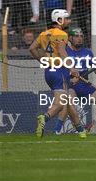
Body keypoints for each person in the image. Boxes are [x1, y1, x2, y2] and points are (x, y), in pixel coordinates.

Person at [29, 9, 87, 139]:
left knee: (66, 102)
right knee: (61, 103)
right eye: (66, 18)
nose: (68, 21)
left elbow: (32, 48)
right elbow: (62, 51)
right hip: (60, 71)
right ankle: (45, 117)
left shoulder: (44, 34)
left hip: (49, 72)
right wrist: (72, 68)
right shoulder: (61, 34)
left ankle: (80, 130)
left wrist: (42, 60)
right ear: (59, 20)